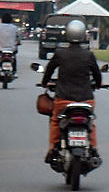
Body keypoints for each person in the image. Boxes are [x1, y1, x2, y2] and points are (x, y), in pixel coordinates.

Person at [41, 18, 103, 165]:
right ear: (83, 36)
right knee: (90, 123)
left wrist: (45, 83)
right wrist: (98, 84)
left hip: (64, 99)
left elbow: (49, 70)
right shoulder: (88, 55)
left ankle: (53, 148)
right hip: (86, 99)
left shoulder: (60, 54)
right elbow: (97, 74)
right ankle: (93, 148)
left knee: (56, 121)